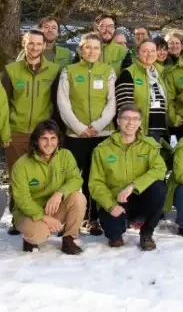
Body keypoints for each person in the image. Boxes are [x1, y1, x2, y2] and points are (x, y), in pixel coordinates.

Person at [1, 29, 60, 234]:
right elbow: (3, 104)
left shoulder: (54, 70)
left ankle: (43, 215)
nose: (34, 47)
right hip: (17, 131)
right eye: (30, 43)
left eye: (38, 44)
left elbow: (56, 103)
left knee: (43, 177)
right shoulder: (11, 70)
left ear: (44, 46)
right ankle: (16, 216)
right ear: (24, 44)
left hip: (43, 134)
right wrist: (5, 132)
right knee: (17, 177)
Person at [57, 32, 116, 235]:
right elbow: (63, 102)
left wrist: (98, 125)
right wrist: (79, 127)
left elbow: (112, 102)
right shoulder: (69, 71)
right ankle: (69, 218)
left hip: (102, 134)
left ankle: (92, 218)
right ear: (81, 50)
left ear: (100, 51)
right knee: (72, 177)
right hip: (76, 135)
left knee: (95, 177)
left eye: (96, 48)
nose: (92, 51)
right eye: (87, 47)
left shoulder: (108, 71)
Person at [89, 103, 167, 249]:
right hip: (115, 199)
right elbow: (95, 183)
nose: (131, 123)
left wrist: (133, 186)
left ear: (140, 122)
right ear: (118, 121)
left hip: (140, 197)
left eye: (135, 119)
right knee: (114, 234)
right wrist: (110, 205)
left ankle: (147, 232)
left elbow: (160, 169)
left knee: (159, 187)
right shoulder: (102, 149)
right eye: (126, 118)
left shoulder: (149, 146)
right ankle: (117, 230)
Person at [10, 119, 85, 254]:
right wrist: (44, 217)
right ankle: (29, 238)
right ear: (36, 141)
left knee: (78, 198)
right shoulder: (22, 165)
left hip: (54, 207)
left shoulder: (65, 155)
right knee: (39, 234)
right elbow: (22, 199)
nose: (49, 143)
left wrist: (59, 193)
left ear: (58, 140)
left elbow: (76, 179)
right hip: (28, 212)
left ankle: (69, 239)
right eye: (44, 138)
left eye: (53, 138)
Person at [116, 39, 168, 143]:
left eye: (153, 51)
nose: (149, 54)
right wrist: (133, 127)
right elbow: (124, 106)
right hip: (138, 129)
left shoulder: (159, 73)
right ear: (137, 53)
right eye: (145, 51)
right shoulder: (128, 73)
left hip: (158, 128)